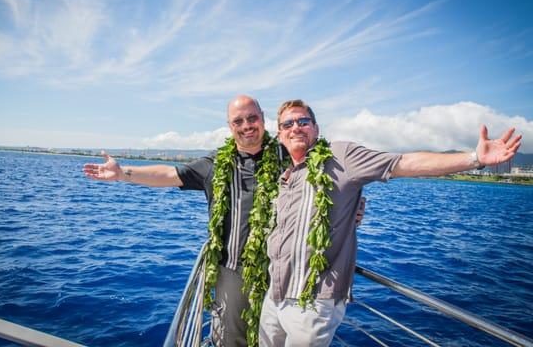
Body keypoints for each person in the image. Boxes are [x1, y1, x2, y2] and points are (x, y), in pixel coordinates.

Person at [83, 95, 366, 347]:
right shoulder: (216, 164)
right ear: (230, 127)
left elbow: (331, 178)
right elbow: (170, 175)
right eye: (238, 121)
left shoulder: (288, 153)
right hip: (233, 270)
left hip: (285, 272)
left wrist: (356, 204)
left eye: (252, 118)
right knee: (233, 340)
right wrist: (123, 173)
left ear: (264, 120)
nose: (247, 125)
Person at [259, 99, 522, 347]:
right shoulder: (286, 177)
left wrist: (474, 158)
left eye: (303, 122)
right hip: (276, 294)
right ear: (280, 134)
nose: (295, 128)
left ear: (315, 128)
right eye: (287, 124)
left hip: (312, 302)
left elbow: (402, 163)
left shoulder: (341, 156)